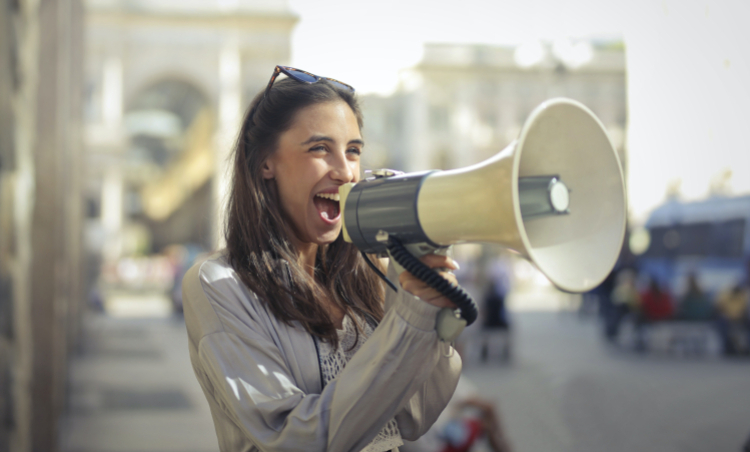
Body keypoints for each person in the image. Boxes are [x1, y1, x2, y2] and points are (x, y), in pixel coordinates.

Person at [181, 66, 462, 452]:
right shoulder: (217, 284)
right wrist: (407, 324)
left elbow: (413, 416)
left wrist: (429, 316)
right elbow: (293, 439)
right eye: (319, 148)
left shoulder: (370, 273)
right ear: (266, 162)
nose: (346, 171)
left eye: (353, 151)